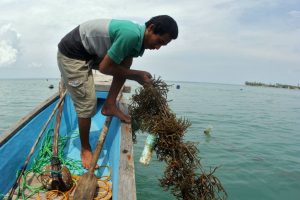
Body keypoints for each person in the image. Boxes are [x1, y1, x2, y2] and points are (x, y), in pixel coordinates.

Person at [57, 15, 178, 169]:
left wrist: (132, 73)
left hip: (90, 53)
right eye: (159, 41)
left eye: (163, 45)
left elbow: (118, 65)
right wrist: (136, 75)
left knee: (126, 59)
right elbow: (105, 68)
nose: (157, 48)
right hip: (72, 54)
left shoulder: (137, 39)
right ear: (151, 28)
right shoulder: (132, 35)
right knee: (88, 103)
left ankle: (109, 105)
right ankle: (85, 148)